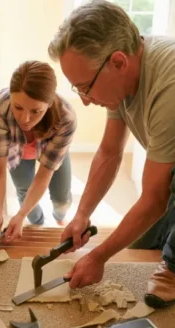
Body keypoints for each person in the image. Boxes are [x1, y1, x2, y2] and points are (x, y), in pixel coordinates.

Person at [49, 0, 175, 308]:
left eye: (86, 88)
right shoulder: (124, 75)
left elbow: (155, 197)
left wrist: (98, 256)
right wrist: (81, 215)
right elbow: (108, 152)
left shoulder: (169, 87)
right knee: (139, 243)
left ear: (118, 62)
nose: (87, 101)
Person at [0, 61, 77, 244]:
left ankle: (59, 216)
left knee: (61, 197)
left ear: (49, 103)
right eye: (18, 107)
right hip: (17, 152)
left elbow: (44, 174)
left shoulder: (67, 118)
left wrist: (21, 214)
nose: (25, 119)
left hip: (52, 151)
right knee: (24, 191)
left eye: (36, 111)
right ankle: (38, 224)